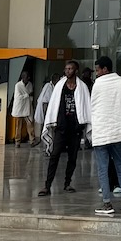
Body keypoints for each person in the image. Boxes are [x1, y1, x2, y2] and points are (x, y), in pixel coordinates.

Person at [87, 57, 121, 216]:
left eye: (98, 70)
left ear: (105, 69)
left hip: (102, 132)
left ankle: (107, 204)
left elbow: (93, 108)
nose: (97, 73)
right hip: (118, 132)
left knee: (103, 168)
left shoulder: (98, 85)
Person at [39, 61, 90, 196]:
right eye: (66, 69)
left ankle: (67, 183)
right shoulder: (60, 86)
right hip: (61, 127)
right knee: (54, 155)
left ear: (76, 71)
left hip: (75, 128)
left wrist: (83, 124)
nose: (67, 71)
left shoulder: (82, 87)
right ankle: (47, 185)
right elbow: (54, 105)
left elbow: (86, 106)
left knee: (72, 157)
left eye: (70, 69)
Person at [11, 70, 35, 147]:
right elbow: (18, 97)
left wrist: (28, 96)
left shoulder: (30, 84)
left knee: (30, 124)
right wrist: (27, 95)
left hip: (27, 107)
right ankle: (17, 142)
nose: (28, 78)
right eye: (27, 77)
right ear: (23, 77)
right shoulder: (18, 85)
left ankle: (32, 140)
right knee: (18, 126)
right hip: (19, 107)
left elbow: (31, 94)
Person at [34, 76, 54, 151]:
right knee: (46, 129)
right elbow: (45, 101)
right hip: (46, 111)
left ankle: (48, 146)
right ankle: (47, 147)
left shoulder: (52, 86)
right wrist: (46, 115)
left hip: (48, 111)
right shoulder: (48, 87)